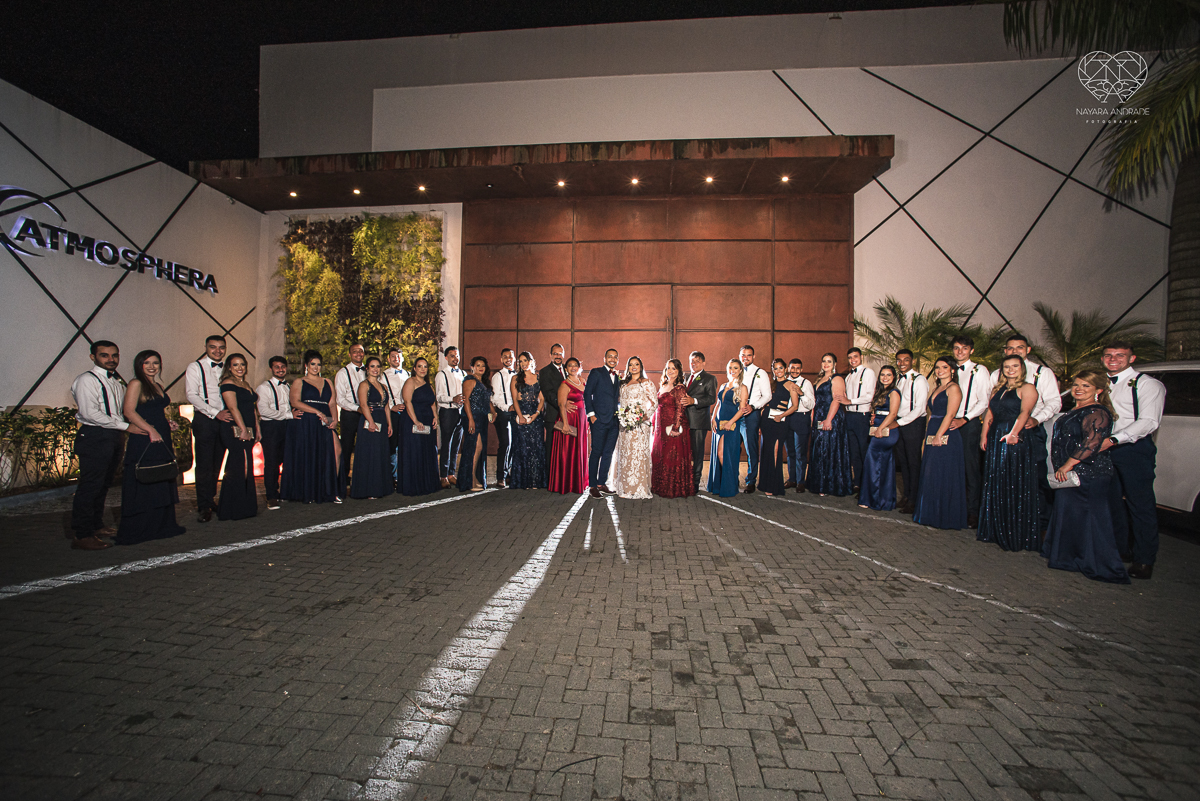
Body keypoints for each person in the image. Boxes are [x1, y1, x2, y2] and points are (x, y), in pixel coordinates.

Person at [1044, 370, 1129, 583]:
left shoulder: (1098, 412)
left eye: (1086, 386)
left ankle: (1102, 564)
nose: (1079, 389)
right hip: (1071, 471)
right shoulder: (1077, 409)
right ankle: (1069, 559)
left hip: (1088, 472)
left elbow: (1092, 443)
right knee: (1071, 515)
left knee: (1093, 519)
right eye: (1076, 385)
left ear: (1098, 390)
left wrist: (1068, 465)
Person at [1100, 341, 1166, 579]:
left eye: (1120, 355)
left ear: (1132, 358)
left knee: (1141, 505)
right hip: (1104, 449)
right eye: (1108, 355)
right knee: (1112, 503)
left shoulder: (1147, 384)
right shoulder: (1101, 383)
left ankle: (1144, 559)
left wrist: (1114, 440)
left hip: (1133, 449)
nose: (1113, 359)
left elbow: (1149, 421)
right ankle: (1120, 550)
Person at [989, 334, 1061, 531]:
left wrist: (1037, 418)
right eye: (1010, 348)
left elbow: (1054, 401)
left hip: (1030, 432)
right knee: (1002, 477)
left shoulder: (1042, 373)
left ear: (1028, 350)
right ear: (1005, 351)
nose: (1015, 352)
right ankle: (1005, 521)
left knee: (1035, 478)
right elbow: (992, 404)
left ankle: (1040, 525)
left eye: (1019, 348)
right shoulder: (997, 374)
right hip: (1001, 432)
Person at [116, 349, 186, 545]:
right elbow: (129, 411)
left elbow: (155, 410)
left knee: (161, 476)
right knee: (145, 476)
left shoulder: (156, 385)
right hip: (145, 437)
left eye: (155, 363)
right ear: (139, 365)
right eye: (147, 363)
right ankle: (141, 527)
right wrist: (151, 430)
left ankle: (161, 525)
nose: (152, 366)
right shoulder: (136, 383)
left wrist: (167, 423)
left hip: (161, 435)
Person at [69, 341, 127, 550]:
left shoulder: (116, 381)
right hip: (95, 435)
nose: (111, 359)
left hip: (113, 435)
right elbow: (89, 413)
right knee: (90, 485)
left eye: (114, 355)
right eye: (105, 356)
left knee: (104, 483)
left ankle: (96, 525)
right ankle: (82, 534)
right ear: (93, 357)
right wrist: (125, 426)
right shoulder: (86, 380)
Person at [977, 354, 1038, 548]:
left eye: (1015, 366)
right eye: (1006, 367)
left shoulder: (1027, 388)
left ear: (1022, 368)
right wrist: (983, 436)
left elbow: (1025, 412)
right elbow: (990, 413)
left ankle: (1014, 532)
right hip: (996, 436)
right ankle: (994, 528)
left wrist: (1013, 433)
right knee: (995, 480)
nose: (1010, 370)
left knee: (1012, 480)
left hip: (1013, 437)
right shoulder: (998, 389)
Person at [912, 356, 967, 530]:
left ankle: (944, 516)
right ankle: (929, 513)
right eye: (937, 367)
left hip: (946, 434)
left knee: (944, 474)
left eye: (944, 367)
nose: (940, 370)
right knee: (931, 473)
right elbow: (931, 413)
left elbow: (950, 415)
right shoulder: (937, 388)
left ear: (952, 369)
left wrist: (938, 435)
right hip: (933, 430)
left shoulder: (954, 388)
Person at [281, 350, 341, 503]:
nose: (316, 367)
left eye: (318, 364)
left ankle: (329, 489)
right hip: (306, 422)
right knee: (309, 455)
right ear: (306, 365)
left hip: (325, 422)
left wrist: (335, 420)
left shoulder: (328, 381)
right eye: (313, 364)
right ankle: (307, 492)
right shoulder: (299, 382)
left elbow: (332, 403)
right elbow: (295, 402)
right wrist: (316, 411)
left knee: (336, 451)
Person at [185, 334, 230, 523]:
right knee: (204, 464)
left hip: (225, 419)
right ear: (206, 347)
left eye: (221, 347)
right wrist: (214, 412)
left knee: (217, 462)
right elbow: (191, 395)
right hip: (205, 419)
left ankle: (211, 499)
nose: (217, 351)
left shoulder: (228, 367)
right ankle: (203, 505)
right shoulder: (195, 367)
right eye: (213, 347)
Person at [949, 336, 992, 528]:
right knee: (953, 468)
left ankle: (973, 512)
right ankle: (955, 507)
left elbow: (984, 401)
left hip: (969, 423)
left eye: (964, 348)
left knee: (970, 469)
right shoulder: (949, 370)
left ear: (971, 351)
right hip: (950, 424)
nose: (960, 352)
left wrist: (964, 419)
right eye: (956, 348)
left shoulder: (979, 370)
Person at [216, 354, 259, 521]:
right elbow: (233, 408)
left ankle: (246, 506)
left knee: (246, 466)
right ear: (229, 367)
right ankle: (232, 508)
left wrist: (257, 427)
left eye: (242, 365)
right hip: (234, 429)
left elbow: (252, 408)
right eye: (235, 365)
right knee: (237, 466)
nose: (240, 368)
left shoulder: (245, 384)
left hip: (248, 427)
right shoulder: (227, 383)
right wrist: (243, 429)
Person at [808, 353, 853, 497]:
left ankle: (829, 485)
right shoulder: (820, 379)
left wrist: (828, 419)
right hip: (819, 418)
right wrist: (812, 418)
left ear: (835, 364)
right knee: (819, 450)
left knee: (829, 449)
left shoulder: (837, 378)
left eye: (829, 361)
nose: (826, 364)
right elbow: (815, 401)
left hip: (831, 417)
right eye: (824, 361)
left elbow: (836, 400)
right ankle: (819, 483)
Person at [858, 366, 902, 511]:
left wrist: (880, 428)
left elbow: (893, 414)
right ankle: (881, 499)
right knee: (880, 464)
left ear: (894, 377)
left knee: (873, 463)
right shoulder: (882, 391)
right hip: (878, 429)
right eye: (882, 375)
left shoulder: (894, 392)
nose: (885, 377)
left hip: (886, 431)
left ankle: (876, 499)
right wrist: (873, 418)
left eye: (888, 375)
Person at [350, 356, 395, 499]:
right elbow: (363, 405)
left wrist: (390, 424)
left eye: (378, 366)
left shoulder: (384, 387)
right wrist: (370, 422)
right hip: (369, 420)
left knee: (381, 453)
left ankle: (381, 487)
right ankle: (368, 489)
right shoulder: (364, 385)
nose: (375, 369)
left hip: (382, 418)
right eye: (372, 366)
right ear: (367, 369)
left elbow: (387, 407)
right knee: (370, 453)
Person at [613, 356, 657, 499]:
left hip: (640, 426)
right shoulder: (623, 384)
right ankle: (625, 486)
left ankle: (639, 486)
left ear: (641, 366)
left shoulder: (646, 383)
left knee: (637, 454)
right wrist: (623, 417)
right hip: (625, 425)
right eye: (631, 365)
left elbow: (654, 403)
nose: (633, 367)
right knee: (625, 454)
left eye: (636, 364)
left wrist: (645, 416)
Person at [651, 359, 694, 498]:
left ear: (679, 371)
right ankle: (659, 486)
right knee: (660, 455)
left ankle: (672, 488)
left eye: (673, 369)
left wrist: (676, 427)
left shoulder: (680, 388)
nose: (670, 371)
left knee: (672, 456)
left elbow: (681, 409)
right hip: (660, 425)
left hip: (672, 426)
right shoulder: (663, 384)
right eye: (668, 368)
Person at [836, 347, 876, 492]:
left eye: (855, 357)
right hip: (850, 417)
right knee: (854, 453)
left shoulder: (868, 373)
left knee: (864, 450)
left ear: (861, 357)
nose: (853, 360)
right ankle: (858, 482)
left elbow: (869, 396)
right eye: (850, 358)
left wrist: (849, 401)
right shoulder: (848, 376)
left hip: (862, 417)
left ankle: (868, 484)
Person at [256, 356, 293, 511]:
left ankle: (285, 492)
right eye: (277, 367)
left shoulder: (288, 386)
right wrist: (288, 415)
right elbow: (263, 410)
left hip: (287, 426)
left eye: (283, 366)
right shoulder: (263, 387)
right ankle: (271, 496)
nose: (280, 369)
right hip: (271, 427)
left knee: (287, 459)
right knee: (271, 462)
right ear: (271, 368)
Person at [758, 359, 800, 497]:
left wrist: (782, 415)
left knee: (776, 451)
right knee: (767, 451)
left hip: (780, 421)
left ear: (785, 369)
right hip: (766, 421)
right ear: (773, 370)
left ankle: (774, 484)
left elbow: (795, 406)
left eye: (781, 368)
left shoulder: (791, 385)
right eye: (775, 369)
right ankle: (765, 483)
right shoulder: (771, 384)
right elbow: (765, 401)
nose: (778, 371)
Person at [894, 349, 929, 513]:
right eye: (899, 360)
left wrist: (899, 422)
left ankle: (915, 500)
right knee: (904, 463)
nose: (902, 363)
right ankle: (907, 496)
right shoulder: (899, 380)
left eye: (905, 360)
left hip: (913, 424)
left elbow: (920, 408)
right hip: (901, 423)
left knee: (914, 463)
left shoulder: (920, 380)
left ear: (912, 361)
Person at [707, 360, 749, 498]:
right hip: (718, 424)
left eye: (735, 368)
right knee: (719, 454)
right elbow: (718, 404)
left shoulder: (742, 388)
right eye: (730, 367)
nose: (732, 370)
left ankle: (730, 483)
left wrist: (730, 422)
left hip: (731, 425)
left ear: (740, 370)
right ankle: (722, 484)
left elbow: (742, 409)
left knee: (723, 454)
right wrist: (713, 419)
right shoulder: (723, 385)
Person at [400, 357, 441, 496]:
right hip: (413, 420)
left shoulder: (428, 385)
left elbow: (432, 403)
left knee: (428, 451)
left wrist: (435, 417)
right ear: (414, 368)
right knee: (415, 451)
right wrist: (416, 421)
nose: (423, 369)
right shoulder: (410, 381)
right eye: (420, 366)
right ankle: (414, 485)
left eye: (425, 366)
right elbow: (407, 401)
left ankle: (427, 483)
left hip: (428, 421)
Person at [584, 349, 622, 498]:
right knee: (596, 452)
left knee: (608, 453)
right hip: (599, 420)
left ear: (617, 360)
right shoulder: (596, 372)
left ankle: (601, 482)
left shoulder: (617, 376)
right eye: (610, 356)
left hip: (613, 421)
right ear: (604, 358)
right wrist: (591, 415)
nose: (612, 359)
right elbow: (587, 393)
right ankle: (592, 485)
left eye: (615, 357)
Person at [551, 357, 591, 494]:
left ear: (579, 367)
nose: (573, 367)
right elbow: (561, 405)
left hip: (581, 421)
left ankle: (578, 482)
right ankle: (566, 484)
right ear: (566, 369)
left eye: (575, 365)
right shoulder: (564, 385)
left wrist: (587, 422)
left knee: (579, 451)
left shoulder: (584, 382)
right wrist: (565, 425)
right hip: (569, 422)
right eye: (570, 365)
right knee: (568, 452)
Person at [509, 351, 548, 489]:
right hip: (521, 415)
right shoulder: (515, 378)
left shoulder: (538, 378)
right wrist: (520, 416)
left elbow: (542, 399)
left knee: (536, 448)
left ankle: (535, 481)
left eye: (525, 360)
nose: (523, 364)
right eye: (520, 361)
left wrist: (536, 414)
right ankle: (523, 482)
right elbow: (514, 399)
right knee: (522, 448)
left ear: (531, 361)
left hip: (535, 417)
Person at [681, 351, 717, 494]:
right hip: (684, 421)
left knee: (697, 453)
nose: (693, 363)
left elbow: (711, 399)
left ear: (703, 363)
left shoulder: (709, 378)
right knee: (685, 453)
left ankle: (695, 483)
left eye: (697, 361)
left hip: (698, 422)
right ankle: (685, 480)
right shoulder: (686, 377)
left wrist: (694, 401)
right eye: (691, 361)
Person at [334, 343, 367, 495]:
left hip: (367, 414)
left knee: (364, 446)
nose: (358, 354)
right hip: (350, 414)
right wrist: (357, 408)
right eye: (355, 352)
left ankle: (362, 479)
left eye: (360, 351)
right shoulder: (342, 373)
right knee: (346, 448)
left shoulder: (369, 370)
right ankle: (344, 481)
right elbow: (340, 399)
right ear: (349, 354)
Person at [738, 346, 772, 493]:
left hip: (751, 414)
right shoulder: (736, 371)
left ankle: (751, 480)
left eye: (749, 355)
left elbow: (767, 396)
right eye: (743, 355)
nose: (746, 358)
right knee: (733, 446)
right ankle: (732, 477)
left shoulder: (761, 373)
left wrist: (753, 406)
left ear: (754, 356)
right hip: (736, 413)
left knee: (751, 448)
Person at [457, 357, 494, 492]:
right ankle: (470, 480)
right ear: (471, 366)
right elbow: (466, 401)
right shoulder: (469, 380)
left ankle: (473, 477)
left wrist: (493, 412)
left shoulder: (482, 382)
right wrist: (470, 419)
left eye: (483, 365)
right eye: (478, 365)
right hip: (472, 417)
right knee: (474, 447)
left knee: (478, 448)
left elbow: (486, 401)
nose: (481, 368)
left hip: (482, 418)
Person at [435, 346, 465, 487]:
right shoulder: (442, 374)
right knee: (446, 444)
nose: (455, 358)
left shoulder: (463, 373)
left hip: (461, 412)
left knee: (456, 444)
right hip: (447, 411)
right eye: (452, 355)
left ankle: (451, 473)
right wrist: (452, 398)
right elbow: (439, 397)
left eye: (457, 355)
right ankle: (443, 476)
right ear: (446, 358)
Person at [784, 359, 815, 492]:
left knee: (800, 452)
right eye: (792, 368)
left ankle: (801, 481)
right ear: (788, 369)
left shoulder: (806, 383)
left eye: (798, 368)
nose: (795, 370)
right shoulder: (785, 382)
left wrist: (801, 394)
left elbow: (811, 404)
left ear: (801, 370)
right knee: (790, 451)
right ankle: (792, 479)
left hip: (801, 418)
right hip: (787, 418)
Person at [381, 348, 409, 488]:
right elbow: (382, 395)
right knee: (392, 445)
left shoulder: (408, 374)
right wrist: (392, 406)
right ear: (388, 359)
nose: (395, 359)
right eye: (392, 356)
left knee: (404, 444)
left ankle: (403, 475)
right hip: (392, 413)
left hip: (406, 413)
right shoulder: (383, 375)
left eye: (398, 356)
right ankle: (392, 477)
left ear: (402, 358)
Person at [539, 343, 568, 468]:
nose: (558, 356)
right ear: (550, 355)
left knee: (565, 448)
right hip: (553, 415)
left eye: (560, 354)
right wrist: (563, 406)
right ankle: (550, 479)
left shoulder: (568, 370)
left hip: (568, 416)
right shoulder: (545, 371)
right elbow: (549, 394)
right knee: (551, 448)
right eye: (555, 353)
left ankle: (562, 478)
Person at [491, 348, 516, 488]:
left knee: (514, 445)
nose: (508, 359)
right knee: (505, 443)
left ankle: (509, 474)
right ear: (501, 359)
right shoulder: (497, 376)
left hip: (515, 414)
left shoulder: (518, 375)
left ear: (514, 359)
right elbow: (495, 398)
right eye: (505, 357)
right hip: (503, 413)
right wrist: (508, 407)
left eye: (510, 357)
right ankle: (500, 476)